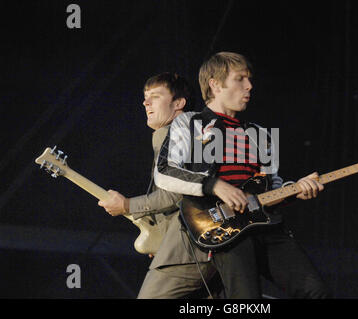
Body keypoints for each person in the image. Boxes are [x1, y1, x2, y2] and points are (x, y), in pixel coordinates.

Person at [154, 52, 331, 298]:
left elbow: (272, 187)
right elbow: (164, 172)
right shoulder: (189, 123)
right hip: (224, 227)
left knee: (317, 292)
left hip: (265, 225)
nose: (249, 86)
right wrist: (215, 185)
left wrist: (296, 189)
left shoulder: (261, 134)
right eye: (240, 79)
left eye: (249, 79)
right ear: (215, 84)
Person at [97, 72, 218, 299]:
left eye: (155, 96)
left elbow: (176, 194)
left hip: (189, 250)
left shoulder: (169, 132)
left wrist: (127, 205)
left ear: (178, 103)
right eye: (145, 97)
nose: (145, 102)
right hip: (211, 247)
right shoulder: (197, 131)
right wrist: (163, 239)